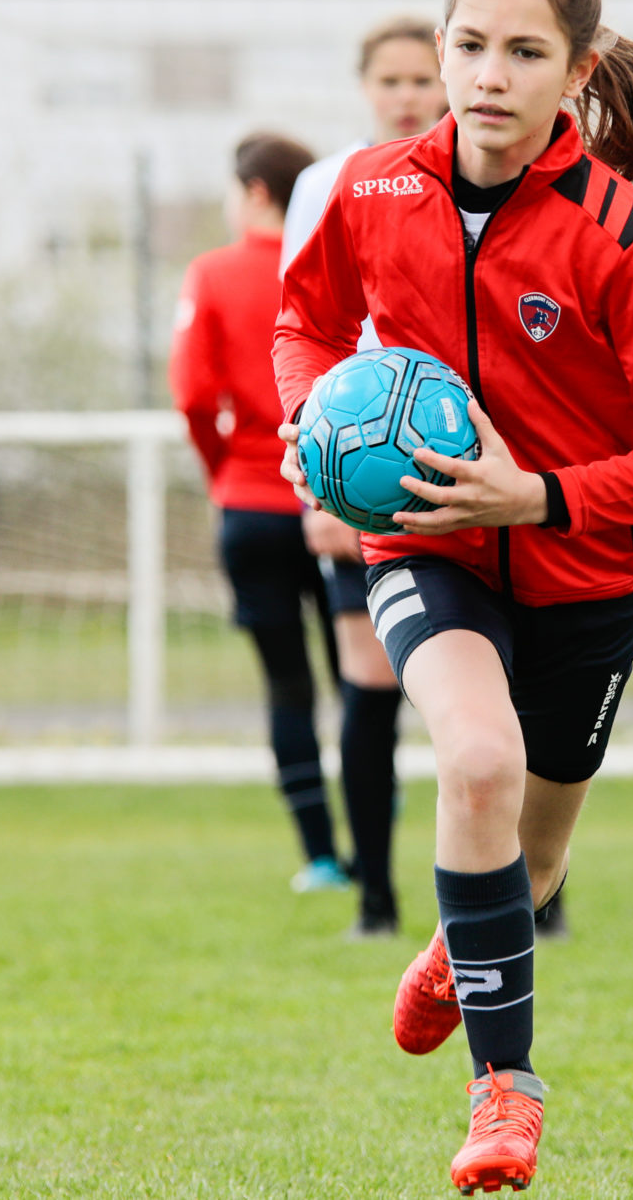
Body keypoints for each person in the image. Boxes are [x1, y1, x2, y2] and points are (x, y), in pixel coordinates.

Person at [274, 0, 633, 1195]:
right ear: (439, 49)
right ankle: (505, 1091)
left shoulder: (624, 234)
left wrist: (538, 493)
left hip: (585, 572)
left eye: (524, 52)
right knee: (473, 762)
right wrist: (309, 416)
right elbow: (303, 324)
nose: (488, 74)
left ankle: (451, 946)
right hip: (427, 548)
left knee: (531, 866)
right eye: (469, 46)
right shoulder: (371, 190)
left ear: (574, 72)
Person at [281, 15, 451, 939]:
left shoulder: (475, 177)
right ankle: (379, 900)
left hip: (461, 462)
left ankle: (536, 890)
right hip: (357, 473)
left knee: (493, 690)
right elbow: (305, 330)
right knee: (368, 684)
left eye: (424, 77)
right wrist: (316, 484)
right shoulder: (327, 186)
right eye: (390, 80)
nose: (409, 95)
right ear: (365, 87)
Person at [171, 132, 356, 896]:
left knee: (288, 687)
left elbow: (190, 394)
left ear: (253, 192)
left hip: (252, 504)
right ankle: (379, 822)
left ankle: (321, 855)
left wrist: (224, 475)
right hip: (344, 504)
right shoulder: (337, 269)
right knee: (366, 679)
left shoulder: (213, 272)